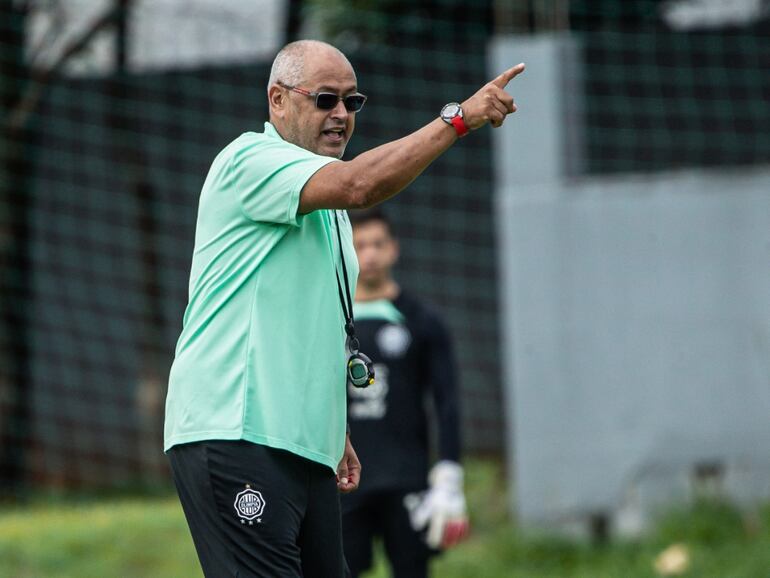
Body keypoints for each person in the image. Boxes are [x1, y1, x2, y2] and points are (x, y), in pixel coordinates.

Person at [163, 38, 524, 578]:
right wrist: (457, 120)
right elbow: (360, 183)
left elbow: (318, 327)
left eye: (352, 103)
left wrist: (333, 431)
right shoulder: (249, 160)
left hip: (301, 444)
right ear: (278, 101)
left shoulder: (327, 214)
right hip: (233, 431)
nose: (340, 115)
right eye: (325, 99)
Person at [342, 208, 468, 578]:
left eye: (378, 244)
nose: (370, 255)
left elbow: (447, 400)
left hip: (406, 478)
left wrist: (448, 471)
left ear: (394, 249)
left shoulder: (422, 319)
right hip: (344, 479)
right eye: (360, 245)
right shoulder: (330, 318)